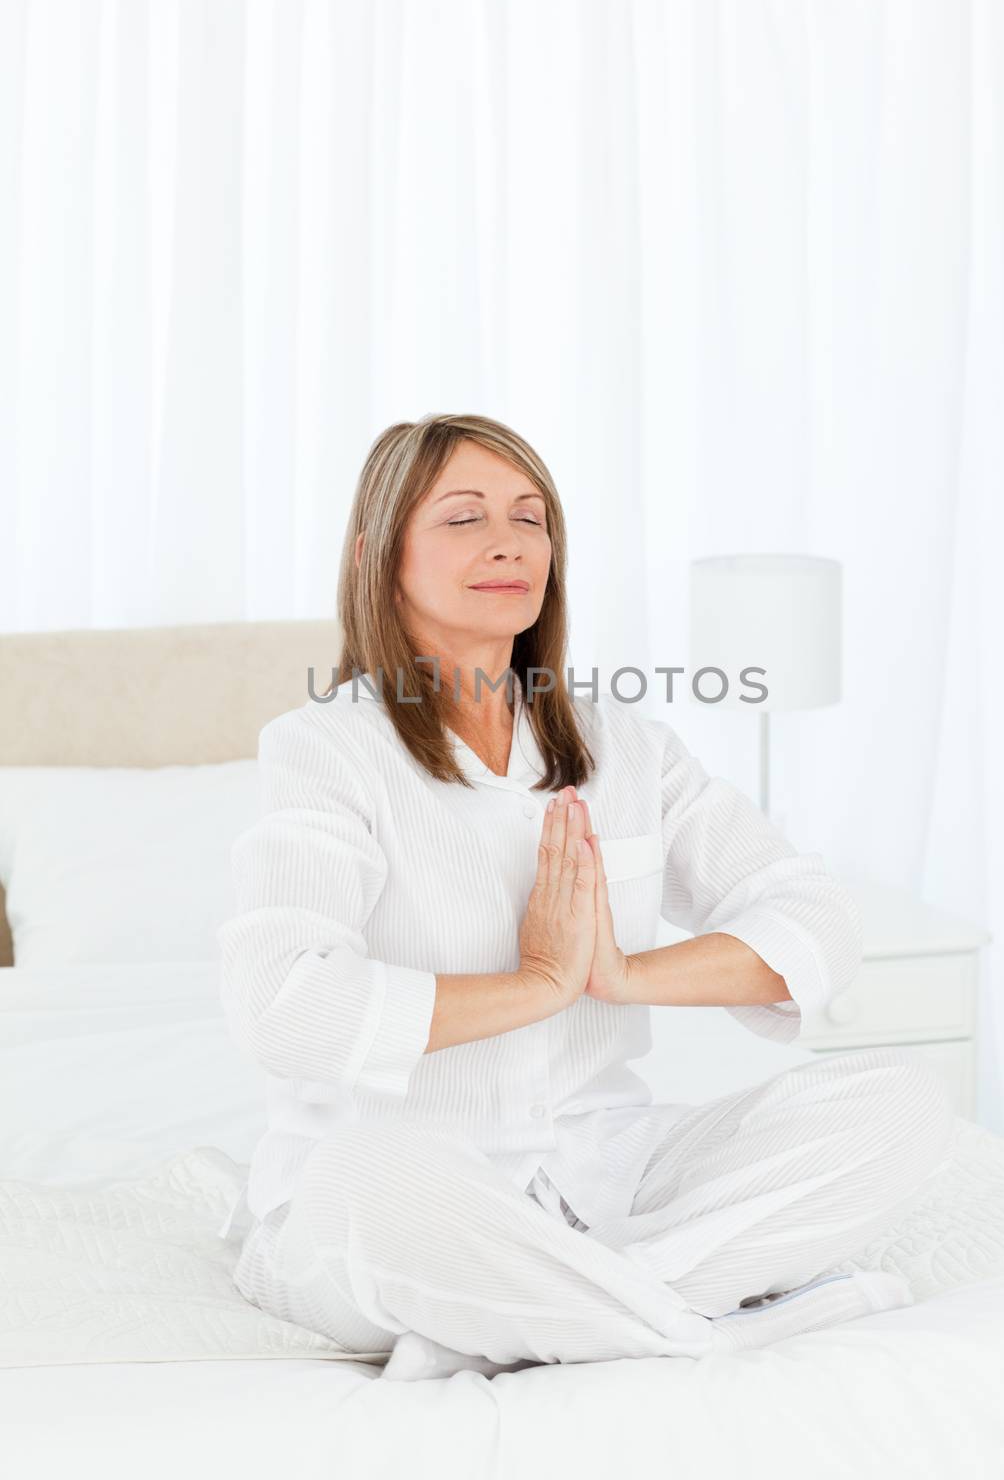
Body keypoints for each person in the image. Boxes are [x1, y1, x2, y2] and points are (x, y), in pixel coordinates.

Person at [218, 413, 953, 1380]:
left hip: (603, 1174)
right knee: (367, 1178)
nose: (507, 542)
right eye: (462, 517)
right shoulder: (323, 750)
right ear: (376, 554)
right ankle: (703, 1326)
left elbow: (812, 917)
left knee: (902, 1104)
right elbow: (287, 1007)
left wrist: (615, 972)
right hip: (417, 1184)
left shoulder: (624, 745)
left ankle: (563, 1310)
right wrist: (538, 983)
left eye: (531, 516)